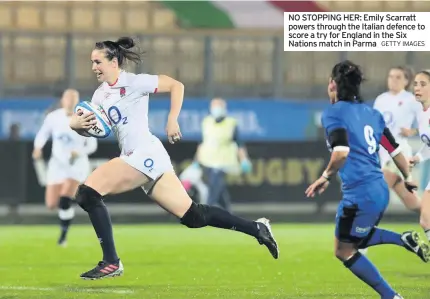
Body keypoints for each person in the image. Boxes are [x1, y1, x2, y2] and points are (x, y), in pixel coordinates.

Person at [69, 37, 278, 280]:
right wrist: (75, 125)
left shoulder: (135, 82)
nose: (93, 67)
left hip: (144, 154)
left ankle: (111, 261)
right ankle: (257, 228)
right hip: (142, 157)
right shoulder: (99, 97)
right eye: (92, 62)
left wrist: (172, 119)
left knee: (87, 193)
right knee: (194, 216)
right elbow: (94, 128)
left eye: (97, 61)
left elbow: (176, 85)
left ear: (114, 62)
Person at [305, 60, 429, 299]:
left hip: (359, 194)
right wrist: (408, 177)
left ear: (333, 84)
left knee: (344, 250)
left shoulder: (333, 113)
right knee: (353, 239)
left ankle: (391, 296)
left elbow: (341, 151)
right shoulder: (373, 114)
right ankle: (403, 240)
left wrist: (325, 176)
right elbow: (395, 152)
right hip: (379, 191)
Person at [33, 89, 98, 247]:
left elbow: (92, 145)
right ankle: (68, 212)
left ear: (77, 101)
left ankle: (63, 236)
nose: (70, 101)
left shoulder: (86, 117)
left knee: (64, 199)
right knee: (51, 204)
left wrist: (79, 152)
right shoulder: (53, 117)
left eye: (73, 98)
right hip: (57, 163)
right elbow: (43, 134)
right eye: (67, 98)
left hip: (77, 164)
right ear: (62, 100)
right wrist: (38, 147)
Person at [373, 66, 422, 213]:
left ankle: (360, 231)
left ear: (406, 81)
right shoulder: (381, 99)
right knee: (413, 203)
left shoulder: (411, 99)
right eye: (391, 76)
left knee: (376, 191)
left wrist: (413, 131)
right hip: (382, 154)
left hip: (399, 153)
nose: (393, 80)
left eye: (398, 77)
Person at [194, 97, 252, 211]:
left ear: (224, 108)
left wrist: (244, 160)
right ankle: (229, 214)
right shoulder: (206, 122)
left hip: (223, 162)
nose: (216, 109)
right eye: (214, 106)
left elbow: (239, 143)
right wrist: (196, 160)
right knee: (219, 189)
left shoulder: (231, 123)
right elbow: (202, 143)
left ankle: (206, 212)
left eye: (218, 106)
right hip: (207, 161)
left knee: (214, 187)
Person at [408, 70, 430, 244]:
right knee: (425, 221)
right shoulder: (422, 114)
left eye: (423, 84)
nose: (418, 88)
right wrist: (417, 158)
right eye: (416, 84)